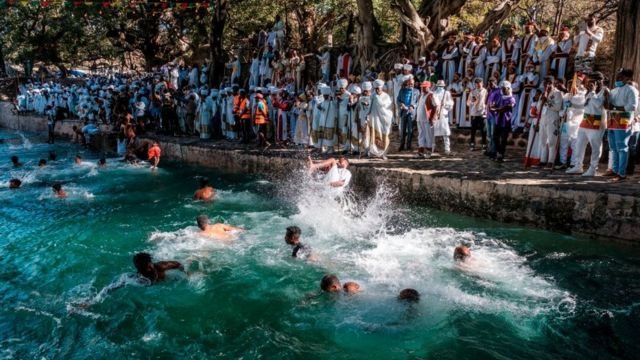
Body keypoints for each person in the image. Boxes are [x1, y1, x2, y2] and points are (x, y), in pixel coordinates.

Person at [567, 72, 608, 176]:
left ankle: (593, 168)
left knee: (595, 146)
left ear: (599, 81)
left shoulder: (605, 91)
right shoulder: (589, 91)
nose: (590, 83)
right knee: (579, 144)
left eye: (592, 81)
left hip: (596, 122)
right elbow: (585, 104)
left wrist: (593, 92)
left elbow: (598, 105)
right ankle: (578, 166)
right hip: (585, 121)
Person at [606, 68, 639, 181]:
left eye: (621, 77)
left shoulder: (631, 90)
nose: (618, 78)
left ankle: (621, 173)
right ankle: (614, 170)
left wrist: (615, 108)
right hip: (612, 120)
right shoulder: (614, 90)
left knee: (622, 147)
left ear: (627, 78)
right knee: (613, 147)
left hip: (623, 120)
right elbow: (608, 104)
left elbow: (632, 107)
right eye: (618, 76)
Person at [538, 76, 563, 169]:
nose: (547, 85)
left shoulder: (557, 93)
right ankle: (543, 160)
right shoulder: (542, 93)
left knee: (552, 140)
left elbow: (558, 107)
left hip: (552, 119)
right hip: (543, 118)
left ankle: (551, 161)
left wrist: (547, 101)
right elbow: (538, 107)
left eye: (549, 83)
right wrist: (542, 100)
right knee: (543, 139)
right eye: (545, 83)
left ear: (552, 83)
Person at [368, 79, 394, 159]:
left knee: (384, 136)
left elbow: (384, 106)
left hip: (383, 120)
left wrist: (377, 98)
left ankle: (383, 153)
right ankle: (374, 152)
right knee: (373, 135)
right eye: (376, 89)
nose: (377, 90)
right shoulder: (372, 96)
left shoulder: (386, 96)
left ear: (381, 88)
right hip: (374, 120)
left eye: (378, 89)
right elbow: (370, 106)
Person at [491, 81, 516, 162]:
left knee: (503, 139)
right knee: (495, 137)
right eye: (502, 89)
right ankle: (499, 151)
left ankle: (501, 154)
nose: (503, 90)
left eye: (504, 89)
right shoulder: (501, 97)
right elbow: (496, 105)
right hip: (498, 120)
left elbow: (505, 108)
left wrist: (496, 109)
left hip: (506, 121)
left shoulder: (511, 99)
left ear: (509, 89)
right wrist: (494, 106)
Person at [468, 78, 487, 151]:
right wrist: (473, 102)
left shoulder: (485, 91)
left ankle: (484, 144)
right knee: (473, 130)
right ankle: (472, 144)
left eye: (479, 83)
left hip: (482, 113)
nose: (478, 85)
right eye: (476, 84)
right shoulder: (472, 92)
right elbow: (468, 103)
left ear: (482, 83)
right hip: (474, 113)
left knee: (483, 130)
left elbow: (487, 101)